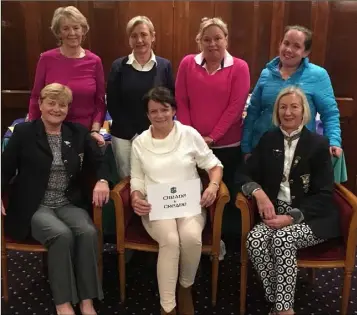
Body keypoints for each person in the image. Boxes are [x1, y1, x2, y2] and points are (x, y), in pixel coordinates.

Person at [2, 83, 111, 315]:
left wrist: (102, 181)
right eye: (51, 103)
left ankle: (87, 300)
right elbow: (5, 169)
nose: (56, 109)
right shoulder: (23, 133)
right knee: (60, 235)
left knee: (88, 232)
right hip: (35, 205)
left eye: (62, 105)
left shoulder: (78, 132)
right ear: (40, 104)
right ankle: (63, 302)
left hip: (67, 201)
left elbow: (100, 162)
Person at [237, 86, 340, 315]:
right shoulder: (269, 139)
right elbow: (242, 173)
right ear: (277, 111)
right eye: (283, 107)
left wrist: (291, 218)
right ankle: (277, 298)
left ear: (304, 111)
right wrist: (258, 193)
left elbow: (324, 194)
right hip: (275, 210)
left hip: (311, 216)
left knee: (282, 239)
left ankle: (284, 310)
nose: (288, 112)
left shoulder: (318, 144)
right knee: (254, 240)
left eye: (294, 106)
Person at [130, 87, 223, 315]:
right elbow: (137, 179)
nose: (160, 115)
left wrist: (212, 186)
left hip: (188, 203)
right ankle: (168, 306)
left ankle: (185, 287)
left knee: (191, 238)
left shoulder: (189, 134)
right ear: (147, 114)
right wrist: (136, 197)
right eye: (154, 111)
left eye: (165, 109)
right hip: (156, 207)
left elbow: (214, 165)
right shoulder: (140, 143)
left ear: (174, 110)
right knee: (170, 240)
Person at [241, 25, 342, 160]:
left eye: (296, 46)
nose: (289, 49)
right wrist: (246, 147)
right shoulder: (266, 73)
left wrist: (334, 141)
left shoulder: (318, 75)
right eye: (286, 43)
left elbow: (330, 114)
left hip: (301, 152)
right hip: (262, 148)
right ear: (280, 44)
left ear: (306, 52)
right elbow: (253, 112)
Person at [175, 17, 250, 191]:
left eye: (217, 38)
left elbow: (236, 107)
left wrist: (212, 137)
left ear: (226, 39)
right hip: (192, 145)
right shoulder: (187, 63)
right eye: (206, 39)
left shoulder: (240, 67)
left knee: (225, 194)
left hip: (227, 145)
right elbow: (181, 100)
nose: (212, 44)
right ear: (199, 41)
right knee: (194, 193)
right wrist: (193, 136)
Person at [107, 16, 175, 180]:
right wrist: (134, 134)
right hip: (124, 137)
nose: (139, 40)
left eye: (144, 35)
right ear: (129, 40)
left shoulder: (164, 66)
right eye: (134, 35)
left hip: (156, 134)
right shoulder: (119, 66)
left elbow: (170, 101)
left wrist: (151, 132)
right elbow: (113, 104)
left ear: (153, 37)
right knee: (128, 182)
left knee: (155, 178)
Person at [28, 6, 106, 147]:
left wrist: (95, 130)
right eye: (66, 28)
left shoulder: (95, 61)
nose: (72, 33)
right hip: (50, 132)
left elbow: (100, 103)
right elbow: (36, 97)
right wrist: (33, 129)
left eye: (76, 28)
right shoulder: (46, 59)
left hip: (84, 134)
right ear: (58, 32)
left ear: (83, 30)